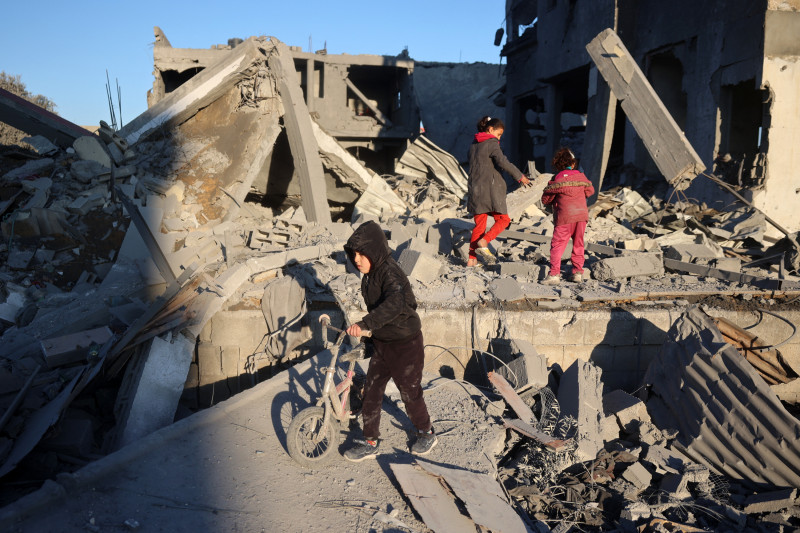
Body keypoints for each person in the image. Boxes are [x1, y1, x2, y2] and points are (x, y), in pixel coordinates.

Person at [342, 220, 436, 461]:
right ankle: (370, 440)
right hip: (383, 342)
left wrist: (364, 325)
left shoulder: (390, 272)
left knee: (409, 391)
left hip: (405, 343)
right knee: (372, 390)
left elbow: (394, 303)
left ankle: (426, 432)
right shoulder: (368, 276)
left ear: (374, 251)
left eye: (362, 254)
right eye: (354, 255)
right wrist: (371, 336)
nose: (357, 260)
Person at [467, 116, 531, 267]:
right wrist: (520, 176)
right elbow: (502, 162)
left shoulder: (473, 146)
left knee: (479, 225)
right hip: (490, 191)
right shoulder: (492, 143)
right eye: (499, 134)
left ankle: (471, 260)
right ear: (490, 130)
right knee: (503, 220)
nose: (499, 137)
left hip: (475, 190)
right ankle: (485, 241)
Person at [540, 147, 595, 285]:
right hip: (581, 216)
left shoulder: (557, 179)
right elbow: (590, 191)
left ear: (557, 164)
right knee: (578, 244)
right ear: (573, 163)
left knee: (558, 245)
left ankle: (554, 274)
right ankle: (577, 273)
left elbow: (546, 199)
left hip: (564, 217)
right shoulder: (581, 176)